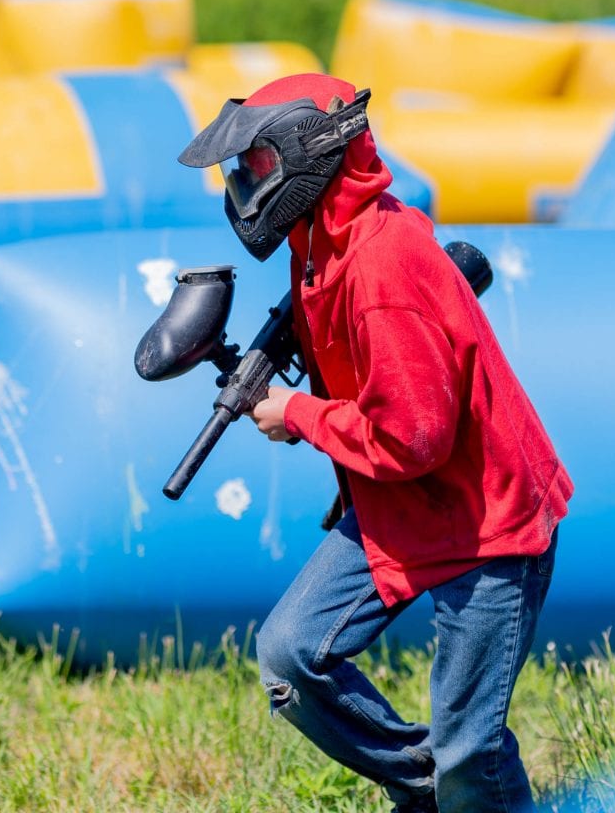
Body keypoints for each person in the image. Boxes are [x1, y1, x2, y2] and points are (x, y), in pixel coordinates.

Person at [176, 73, 573, 813]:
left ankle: (463, 782)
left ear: (308, 155)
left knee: (470, 751)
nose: (242, 185)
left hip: (488, 523)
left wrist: (298, 413)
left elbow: (411, 437)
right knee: (292, 657)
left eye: (255, 166)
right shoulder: (320, 241)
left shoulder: (381, 264)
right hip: (401, 505)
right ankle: (439, 791)